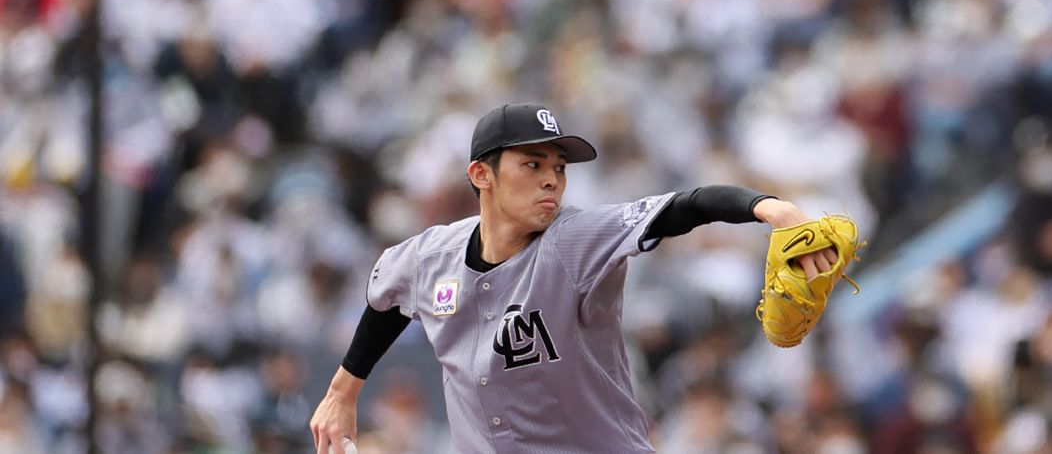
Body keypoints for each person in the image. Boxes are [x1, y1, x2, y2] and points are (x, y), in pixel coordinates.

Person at [309, 103, 838, 453]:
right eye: (532, 165)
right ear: (481, 175)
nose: (551, 181)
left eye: (559, 168)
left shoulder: (575, 239)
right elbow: (385, 299)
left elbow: (685, 206)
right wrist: (342, 392)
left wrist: (771, 208)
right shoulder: (429, 257)